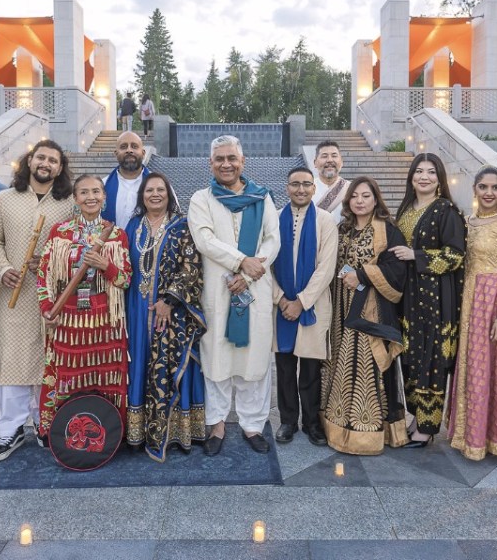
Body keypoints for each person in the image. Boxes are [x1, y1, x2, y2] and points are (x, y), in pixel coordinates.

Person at [188, 135, 280, 456]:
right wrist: (241, 262)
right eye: (219, 159)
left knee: (254, 359)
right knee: (217, 359)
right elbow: (204, 240)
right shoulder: (201, 199)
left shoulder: (262, 197)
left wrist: (247, 274)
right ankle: (216, 424)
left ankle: (252, 425)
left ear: (243, 161)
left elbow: (272, 240)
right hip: (219, 292)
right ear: (210, 163)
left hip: (254, 288)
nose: (226, 164)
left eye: (231, 158)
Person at [0, 140, 75, 462]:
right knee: (11, 359)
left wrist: (52, 262)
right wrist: (3, 269)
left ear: (60, 168)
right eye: (41, 158)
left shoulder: (68, 204)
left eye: (53, 160)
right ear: (30, 160)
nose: (46, 164)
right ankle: (10, 429)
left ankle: (43, 422)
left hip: (52, 296)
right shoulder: (5, 199)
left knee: (47, 358)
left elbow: (75, 245)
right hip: (13, 294)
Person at [35, 174, 132, 443]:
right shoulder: (60, 232)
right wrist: (47, 308)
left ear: (104, 197)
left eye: (96, 192)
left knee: (107, 376)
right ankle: (58, 434)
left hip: (106, 320)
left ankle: (110, 434)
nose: (91, 197)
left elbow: (125, 280)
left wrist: (105, 266)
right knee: (64, 374)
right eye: (84, 192)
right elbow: (43, 275)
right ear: (75, 198)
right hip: (67, 319)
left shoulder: (117, 234)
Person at [321, 177, 408, 454]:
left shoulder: (388, 230)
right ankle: (336, 425)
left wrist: (362, 275)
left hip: (371, 309)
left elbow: (398, 271)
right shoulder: (342, 228)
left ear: (376, 199)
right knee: (340, 361)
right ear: (347, 201)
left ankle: (368, 433)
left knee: (368, 364)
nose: (360, 201)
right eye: (355, 196)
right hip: (340, 308)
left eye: (366, 196)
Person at [125, 172, 207, 461]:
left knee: (168, 366)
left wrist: (169, 300)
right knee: (140, 363)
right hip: (136, 310)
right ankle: (138, 432)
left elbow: (191, 265)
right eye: (149, 190)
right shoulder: (133, 226)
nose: (155, 194)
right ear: (142, 195)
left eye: (161, 189)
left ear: (169, 195)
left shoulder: (182, 225)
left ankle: (177, 432)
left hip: (172, 313)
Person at [448, 167, 497, 461]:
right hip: (468, 301)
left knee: (495, 368)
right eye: (483, 187)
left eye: (495, 187)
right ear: (475, 189)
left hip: (493, 303)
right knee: (471, 366)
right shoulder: (467, 222)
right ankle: (469, 435)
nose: (489, 193)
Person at [392, 153, 465, 447]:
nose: (424, 177)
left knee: (431, 359)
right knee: (410, 358)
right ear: (411, 177)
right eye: (419, 171)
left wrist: (416, 256)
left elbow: (455, 255)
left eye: (431, 172)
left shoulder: (446, 210)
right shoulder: (406, 209)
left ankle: (427, 427)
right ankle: (416, 417)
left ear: (440, 178)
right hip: (407, 297)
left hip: (434, 299)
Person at [271, 167, 338, 446]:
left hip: (313, 305)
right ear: (287, 188)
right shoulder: (274, 219)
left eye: (306, 184)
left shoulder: (325, 220)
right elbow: (265, 264)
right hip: (281, 307)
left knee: (311, 368)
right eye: (295, 184)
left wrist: (301, 302)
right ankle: (288, 421)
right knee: (285, 367)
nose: (301, 189)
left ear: (314, 188)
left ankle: (312, 422)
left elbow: (326, 267)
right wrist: (281, 299)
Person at [102, 131, 151, 230]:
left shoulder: (159, 186)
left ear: (143, 153)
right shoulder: (102, 186)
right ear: (116, 154)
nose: (129, 150)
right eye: (123, 147)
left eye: (134, 146)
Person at [312, 141, 349, 223]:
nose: (329, 160)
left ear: (341, 162)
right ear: (315, 163)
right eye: (324, 156)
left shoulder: (351, 189)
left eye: (334, 156)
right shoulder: (305, 189)